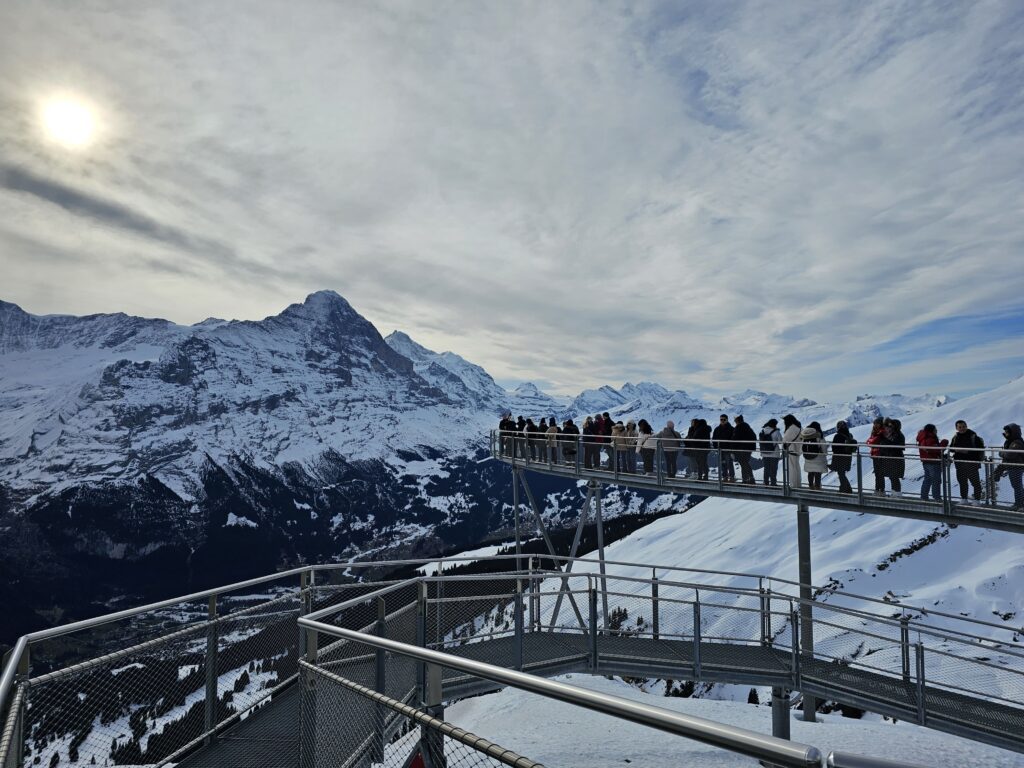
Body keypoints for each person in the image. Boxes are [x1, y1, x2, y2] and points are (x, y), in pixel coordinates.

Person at [949, 420, 985, 503]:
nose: (962, 428)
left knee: (975, 482)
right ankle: (964, 499)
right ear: (956, 428)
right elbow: (951, 448)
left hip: (971, 463)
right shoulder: (955, 437)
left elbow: (980, 449)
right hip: (959, 463)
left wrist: (966, 451)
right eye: (960, 427)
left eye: (963, 426)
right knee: (962, 482)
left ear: (966, 426)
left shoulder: (973, 436)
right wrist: (957, 450)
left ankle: (977, 500)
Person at [993, 424, 1024, 511]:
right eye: (1005, 432)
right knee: (1017, 486)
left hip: (1016, 467)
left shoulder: (1017, 442)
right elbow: (1007, 457)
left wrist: (1001, 453)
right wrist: (1000, 469)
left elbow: (1010, 454)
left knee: (1017, 486)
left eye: (1007, 432)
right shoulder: (1010, 441)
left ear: (1012, 432)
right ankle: (1019, 503)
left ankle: (1020, 505)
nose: (1005, 433)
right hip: (1012, 467)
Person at [916, 424, 948, 502]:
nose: (936, 431)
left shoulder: (923, 437)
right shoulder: (930, 438)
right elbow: (936, 450)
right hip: (933, 461)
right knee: (936, 480)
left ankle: (924, 497)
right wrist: (944, 443)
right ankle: (937, 497)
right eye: (935, 429)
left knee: (927, 479)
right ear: (932, 430)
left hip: (926, 461)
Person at [829, 421, 857, 494]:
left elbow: (834, 448)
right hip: (847, 457)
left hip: (839, 458)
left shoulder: (837, 436)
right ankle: (847, 488)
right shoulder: (849, 435)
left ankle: (845, 489)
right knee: (842, 473)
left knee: (841, 474)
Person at [800, 421, 827, 489]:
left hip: (807, 456)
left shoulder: (804, 435)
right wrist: (825, 453)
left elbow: (802, 445)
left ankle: (811, 486)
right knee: (817, 472)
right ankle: (817, 487)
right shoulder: (818, 435)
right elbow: (823, 446)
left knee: (810, 472)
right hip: (818, 456)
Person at [866, 417, 889, 495]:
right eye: (874, 423)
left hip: (880, 455)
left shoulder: (881, 432)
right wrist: (871, 441)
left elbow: (871, 442)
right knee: (877, 473)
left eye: (877, 423)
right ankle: (878, 490)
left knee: (880, 473)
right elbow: (868, 442)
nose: (875, 425)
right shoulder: (876, 432)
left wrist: (871, 441)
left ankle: (881, 490)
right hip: (875, 455)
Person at [732, 415, 757, 484]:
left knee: (744, 464)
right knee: (745, 464)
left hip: (741, 450)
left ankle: (748, 479)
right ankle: (747, 479)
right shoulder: (747, 427)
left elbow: (735, 440)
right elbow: (754, 437)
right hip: (748, 449)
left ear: (737, 421)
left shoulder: (738, 428)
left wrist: (733, 450)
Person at [759, 419, 782, 486]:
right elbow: (780, 441)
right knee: (773, 469)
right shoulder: (776, 431)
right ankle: (773, 483)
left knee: (766, 469)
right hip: (774, 453)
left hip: (765, 453)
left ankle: (766, 482)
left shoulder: (763, 430)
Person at [713, 414, 736, 481]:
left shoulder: (731, 429)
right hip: (720, 449)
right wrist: (716, 448)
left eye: (724, 419)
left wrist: (732, 449)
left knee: (729, 463)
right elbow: (714, 439)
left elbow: (734, 439)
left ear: (727, 420)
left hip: (728, 449)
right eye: (721, 419)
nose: (722, 421)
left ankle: (732, 477)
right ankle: (725, 477)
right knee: (723, 464)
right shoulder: (717, 429)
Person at [782, 414, 803, 488]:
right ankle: (798, 484)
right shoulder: (799, 428)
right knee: (797, 467)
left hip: (792, 450)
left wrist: (784, 447)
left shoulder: (791, 429)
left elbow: (785, 441)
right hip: (798, 450)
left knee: (792, 468)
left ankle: (794, 485)